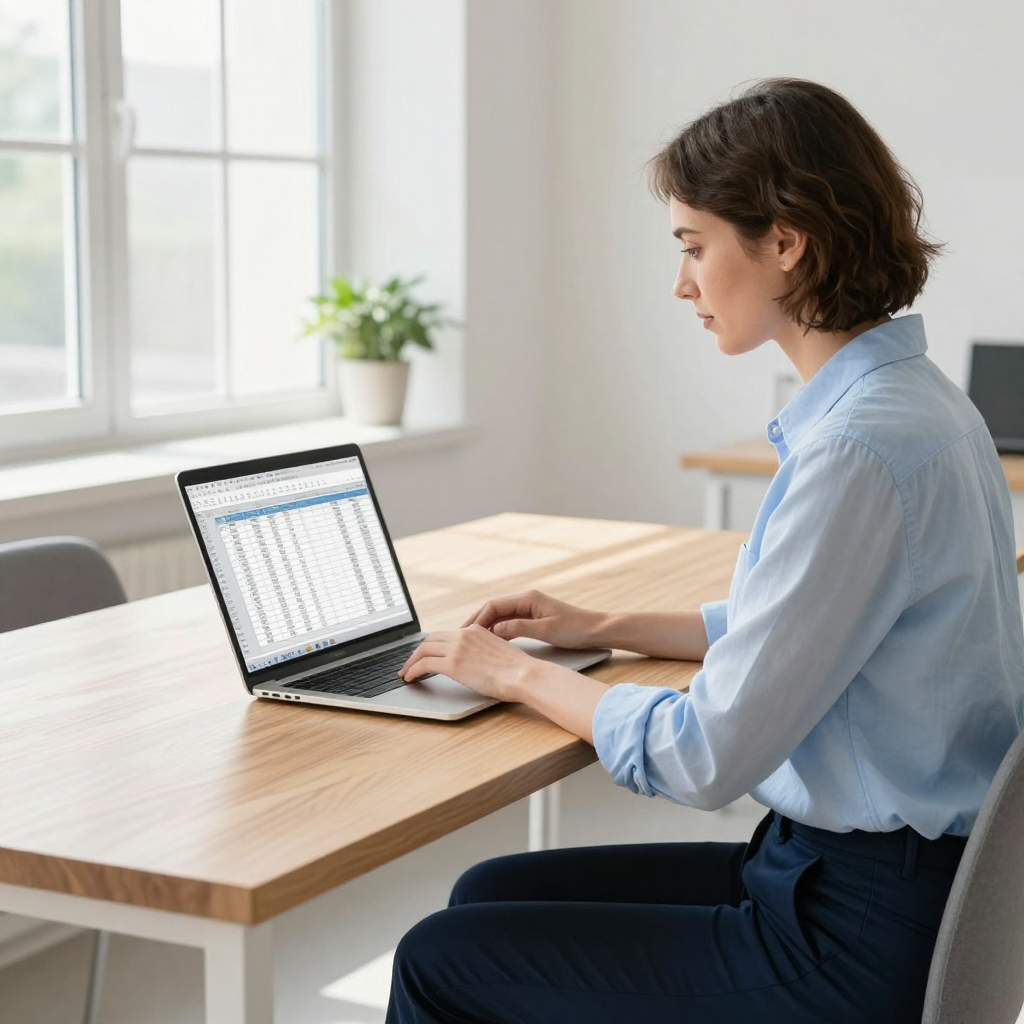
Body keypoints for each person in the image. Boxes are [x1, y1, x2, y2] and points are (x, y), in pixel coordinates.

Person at [386, 78, 1024, 1024]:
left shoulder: (856, 448)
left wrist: (515, 676)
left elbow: (701, 755)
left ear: (785, 242)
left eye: (694, 246)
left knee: (441, 957)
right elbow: (809, 633)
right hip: (860, 882)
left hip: (845, 939)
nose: (682, 282)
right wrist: (598, 624)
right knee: (487, 893)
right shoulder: (922, 405)